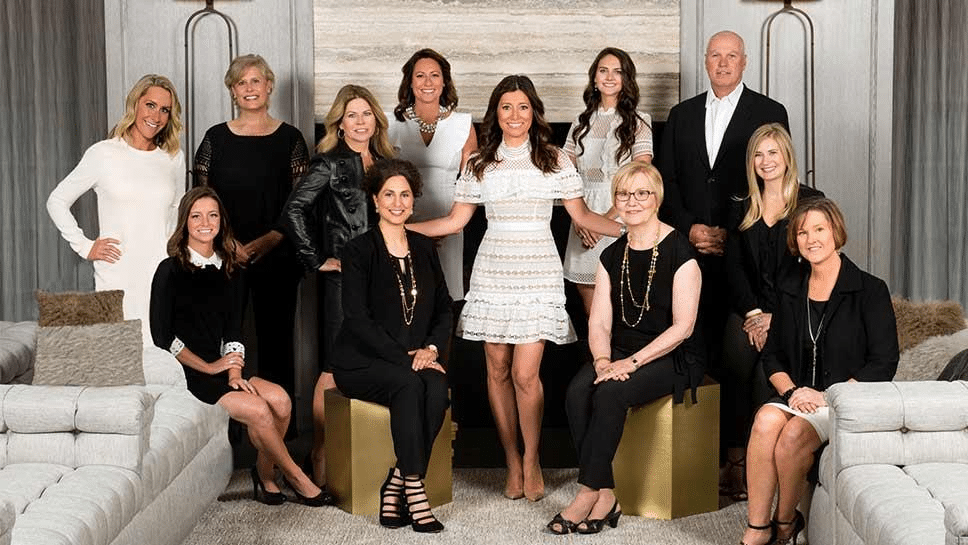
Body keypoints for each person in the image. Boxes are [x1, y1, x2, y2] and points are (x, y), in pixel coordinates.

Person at [408, 74, 622, 502]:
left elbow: (582, 216)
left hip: (538, 269)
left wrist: (635, 229)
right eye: (506, 107)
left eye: (523, 107)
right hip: (493, 269)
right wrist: (397, 228)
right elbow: (455, 222)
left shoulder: (556, 159)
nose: (515, 115)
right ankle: (510, 458)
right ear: (496, 113)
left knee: (527, 374)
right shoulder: (479, 163)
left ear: (533, 112)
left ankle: (532, 459)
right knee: (498, 370)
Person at [658, 30, 789, 484]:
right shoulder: (681, 114)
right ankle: (697, 460)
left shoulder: (770, 113)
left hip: (744, 255)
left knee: (735, 359)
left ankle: (737, 459)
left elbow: (773, 177)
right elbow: (668, 180)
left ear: (744, 62)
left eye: (732, 56)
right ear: (706, 61)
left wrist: (727, 234)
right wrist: (691, 226)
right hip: (687, 250)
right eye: (716, 55)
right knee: (692, 349)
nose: (723, 63)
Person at [149, 187, 328, 507]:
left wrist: (233, 372)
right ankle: (299, 478)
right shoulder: (169, 270)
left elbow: (233, 330)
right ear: (185, 222)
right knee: (260, 410)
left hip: (222, 370)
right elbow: (163, 338)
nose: (205, 222)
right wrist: (209, 367)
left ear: (221, 221)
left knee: (282, 401)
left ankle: (265, 473)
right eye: (196, 216)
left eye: (212, 215)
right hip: (188, 377)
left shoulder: (231, 269)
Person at [549, 162, 702, 534]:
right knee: (576, 392)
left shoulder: (680, 250)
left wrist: (630, 363)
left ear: (657, 198)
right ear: (615, 200)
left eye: (642, 193)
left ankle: (587, 493)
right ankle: (606, 495)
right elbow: (599, 322)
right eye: (624, 194)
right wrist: (603, 360)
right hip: (618, 350)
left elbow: (684, 327)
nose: (632, 201)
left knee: (610, 395)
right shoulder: (611, 254)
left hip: (670, 354)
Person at [740, 198, 898, 545]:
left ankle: (784, 521)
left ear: (835, 232)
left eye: (819, 229)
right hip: (796, 394)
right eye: (802, 232)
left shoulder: (870, 290)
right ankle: (757, 527)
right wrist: (792, 392)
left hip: (844, 399)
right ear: (795, 242)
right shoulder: (789, 288)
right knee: (766, 421)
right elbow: (773, 355)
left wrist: (826, 396)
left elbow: (884, 362)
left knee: (795, 435)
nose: (811, 239)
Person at [282, 84, 395, 490]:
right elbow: (293, 210)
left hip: (384, 278)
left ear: (376, 120)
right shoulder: (328, 164)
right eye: (352, 115)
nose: (361, 121)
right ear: (340, 123)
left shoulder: (387, 161)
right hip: (344, 281)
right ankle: (322, 451)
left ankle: (372, 456)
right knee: (335, 365)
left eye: (367, 114)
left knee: (381, 358)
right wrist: (317, 259)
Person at [331, 159, 451, 533]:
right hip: (361, 362)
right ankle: (414, 487)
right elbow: (356, 318)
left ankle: (396, 479)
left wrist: (430, 350)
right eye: (389, 195)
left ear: (413, 201)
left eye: (404, 195)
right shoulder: (357, 251)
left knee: (436, 388)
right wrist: (405, 358)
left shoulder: (424, 247)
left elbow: (445, 306)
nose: (397, 203)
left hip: (416, 358)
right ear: (375, 199)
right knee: (411, 384)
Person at [193, 54, 309, 403]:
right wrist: (226, 243)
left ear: (269, 86)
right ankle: (228, 432)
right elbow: (201, 200)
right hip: (223, 256)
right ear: (232, 90)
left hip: (278, 256)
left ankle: (278, 429)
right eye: (241, 82)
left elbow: (300, 203)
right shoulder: (215, 138)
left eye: (255, 81)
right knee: (224, 340)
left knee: (276, 341)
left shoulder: (291, 139)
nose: (249, 88)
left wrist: (270, 239)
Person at [719, 123, 823, 500]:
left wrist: (775, 317)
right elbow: (733, 267)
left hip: (792, 312)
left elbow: (813, 266)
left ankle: (760, 464)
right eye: (759, 154)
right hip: (748, 309)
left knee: (767, 376)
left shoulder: (810, 202)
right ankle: (733, 463)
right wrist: (753, 312)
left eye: (773, 153)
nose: (766, 161)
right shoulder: (741, 204)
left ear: (787, 157)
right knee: (734, 365)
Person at [47, 74, 185, 341]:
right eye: (150, 105)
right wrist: (85, 246)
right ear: (135, 104)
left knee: (162, 361)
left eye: (164, 110)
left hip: (162, 276)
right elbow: (57, 200)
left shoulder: (172, 158)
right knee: (119, 362)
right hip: (117, 275)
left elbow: (177, 210)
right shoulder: (103, 154)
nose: (156, 116)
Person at [563, 47, 653, 314]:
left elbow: (641, 174)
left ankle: (619, 355)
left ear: (627, 79)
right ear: (594, 78)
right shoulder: (579, 123)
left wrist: (604, 220)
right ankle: (598, 356)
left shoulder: (639, 121)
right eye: (604, 70)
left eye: (618, 71)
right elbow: (565, 177)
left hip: (623, 214)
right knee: (591, 307)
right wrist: (579, 219)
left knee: (621, 299)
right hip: (581, 212)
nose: (610, 77)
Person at [388, 48, 478, 301]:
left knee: (444, 299)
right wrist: (401, 227)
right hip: (401, 220)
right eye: (420, 76)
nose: (428, 83)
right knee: (404, 298)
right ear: (410, 82)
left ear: (444, 81)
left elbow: (471, 181)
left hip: (449, 220)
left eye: (434, 75)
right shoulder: (391, 124)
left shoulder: (463, 124)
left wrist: (449, 225)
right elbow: (380, 181)